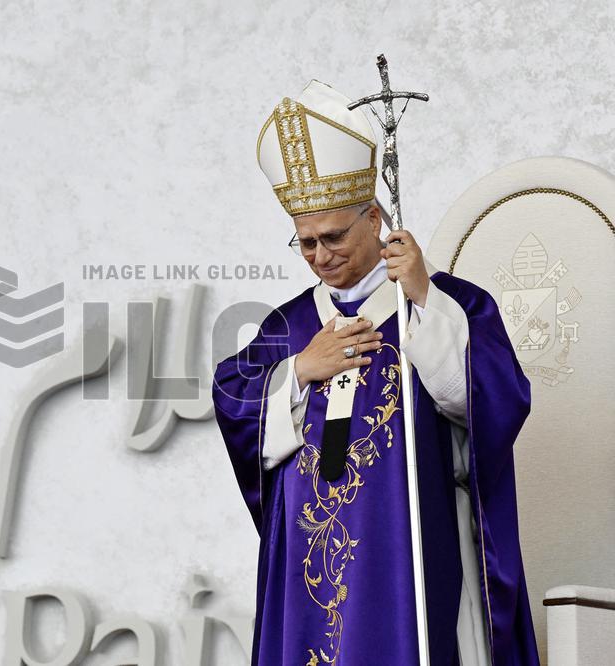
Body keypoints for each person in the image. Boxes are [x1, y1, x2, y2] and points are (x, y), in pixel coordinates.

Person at [211, 80, 538, 665]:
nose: (321, 254)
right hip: (309, 570)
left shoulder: (447, 304)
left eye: (334, 235)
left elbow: (494, 404)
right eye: (305, 243)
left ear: (375, 217)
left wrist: (422, 301)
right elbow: (233, 399)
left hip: (409, 557)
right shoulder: (289, 328)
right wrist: (299, 371)